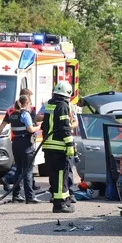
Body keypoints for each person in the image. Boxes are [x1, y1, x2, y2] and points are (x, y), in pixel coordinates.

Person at [0, 88, 39, 193]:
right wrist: (38, 128)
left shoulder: (11, 110)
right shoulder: (29, 111)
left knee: (19, 167)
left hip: (14, 141)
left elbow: (2, 124)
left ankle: (17, 192)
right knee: (27, 168)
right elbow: (32, 126)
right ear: (27, 100)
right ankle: (28, 193)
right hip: (26, 140)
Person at [42, 81, 75, 213]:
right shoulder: (63, 106)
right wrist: (70, 144)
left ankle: (65, 200)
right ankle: (59, 204)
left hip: (49, 146)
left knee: (55, 176)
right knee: (61, 176)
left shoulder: (50, 104)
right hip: (59, 147)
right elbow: (64, 127)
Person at [7, 95, 42, 204]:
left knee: (18, 170)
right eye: (30, 104)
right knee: (28, 171)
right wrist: (40, 127)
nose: (30, 106)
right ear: (26, 104)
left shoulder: (12, 114)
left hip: (15, 143)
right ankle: (30, 197)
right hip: (25, 144)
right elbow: (30, 129)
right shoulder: (25, 114)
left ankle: (16, 195)